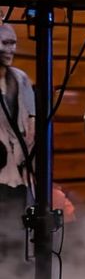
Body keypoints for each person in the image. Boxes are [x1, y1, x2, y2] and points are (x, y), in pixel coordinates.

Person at [0, 23, 35, 260]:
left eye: (12, 42)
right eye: (4, 42)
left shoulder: (21, 79)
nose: (9, 48)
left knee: (15, 231)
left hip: (18, 173)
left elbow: (32, 122)